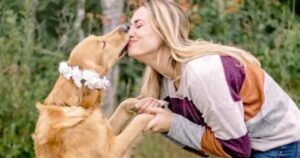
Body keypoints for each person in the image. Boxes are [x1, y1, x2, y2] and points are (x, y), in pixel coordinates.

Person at [126, 0, 300, 157]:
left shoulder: (202, 72)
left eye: (138, 25)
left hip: (282, 145)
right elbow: (208, 146)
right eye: (129, 26)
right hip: (253, 148)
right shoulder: (164, 83)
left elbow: (236, 149)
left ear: (164, 29)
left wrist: (172, 124)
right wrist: (161, 119)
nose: (129, 33)